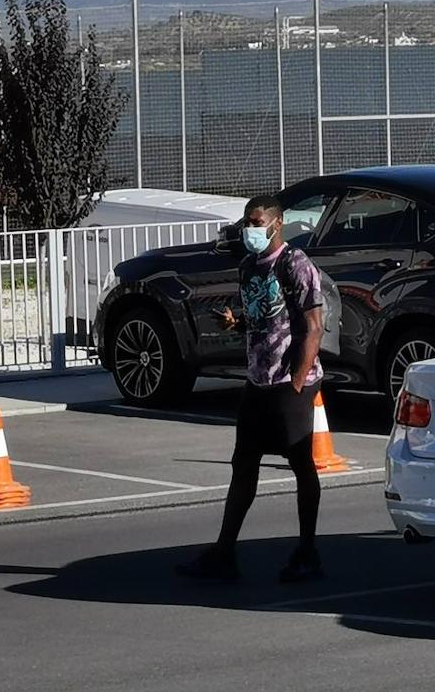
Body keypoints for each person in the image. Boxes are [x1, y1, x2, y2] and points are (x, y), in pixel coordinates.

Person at [175, 194, 326, 583]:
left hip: (290, 382)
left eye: (257, 223)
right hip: (258, 379)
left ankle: (307, 551)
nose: (250, 230)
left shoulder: (295, 264)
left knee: (300, 463)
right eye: (247, 222)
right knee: (243, 463)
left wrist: (296, 382)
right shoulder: (249, 267)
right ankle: (224, 553)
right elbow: (263, 319)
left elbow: (313, 326)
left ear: (277, 224)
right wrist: (236, 322)